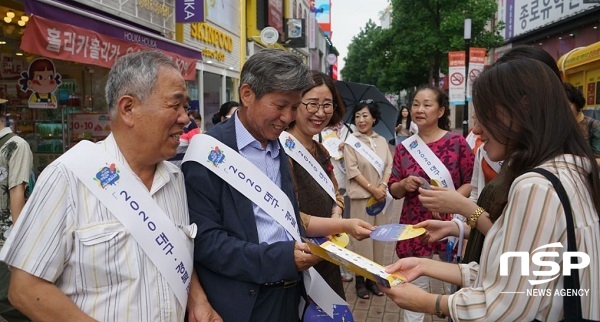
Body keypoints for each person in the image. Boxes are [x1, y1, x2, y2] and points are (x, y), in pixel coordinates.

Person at [0, 51, 220, 322]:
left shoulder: (175, 179)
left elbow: (171, 253)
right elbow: (24, 288)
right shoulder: (68, 176)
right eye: (175, 106)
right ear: (128, 108)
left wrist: (198, 299)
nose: (185, 118)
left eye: (185, 107)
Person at [382, 59, 600, 321]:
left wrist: (430, 302)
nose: (476, 130)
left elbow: (506, 306)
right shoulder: (572, 169)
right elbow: (512, 270)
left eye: (483, 116)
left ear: (520, 112)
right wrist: (424, 264)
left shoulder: (535, 186)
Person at [182, 49, 321, 321]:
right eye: (280, 106)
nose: (288, 117)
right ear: (247, 94)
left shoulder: (279, 146)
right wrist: (281, 258)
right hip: (242, 304)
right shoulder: (208, 153)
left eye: (294, 108)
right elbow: (206, 242)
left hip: (289, 296)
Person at [387, 85, 473, 322]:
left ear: (441, 110)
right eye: (415, 104)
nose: (419, 109)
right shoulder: (405, 148)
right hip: (414, 226)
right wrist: (404, 184)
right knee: (415, 284)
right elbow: (393, 189)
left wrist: (450, 201)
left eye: (427, 104)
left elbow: (471, 183)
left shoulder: (457, 143)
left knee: (454, 284)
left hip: (450, 225)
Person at [286, 70, 374, 299]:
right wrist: (341, 226)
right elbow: (291, 215)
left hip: (327, 253)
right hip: (300, 257)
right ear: (296, 104)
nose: (320, 112)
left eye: (328, 105)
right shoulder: (281, 151)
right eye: (312, 104)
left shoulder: (321, 150)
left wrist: (336, 215)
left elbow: (336, 193)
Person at [343, 99, 393, 299]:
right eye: (357, 116)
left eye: (365, 115)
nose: (361, 120)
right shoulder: (351, 142)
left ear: (374, 118)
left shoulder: (381, 141)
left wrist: (382, 187)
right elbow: (352, 171)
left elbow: (388, 165)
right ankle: (360, 281)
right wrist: (373, 188)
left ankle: (374, 279)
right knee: (361, 239)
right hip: (362, 199)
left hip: (379, 199)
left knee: (379, 238)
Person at [0, 112, 33, 322]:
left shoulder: (16, 145)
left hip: (6, 241)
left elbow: (16, 192)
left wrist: (19, 242)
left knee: (10, 301)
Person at [564, 82, 600, 158]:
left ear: (576, 104)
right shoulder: (556, 126)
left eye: (567, 105)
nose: (563, 110)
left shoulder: (593, 126)